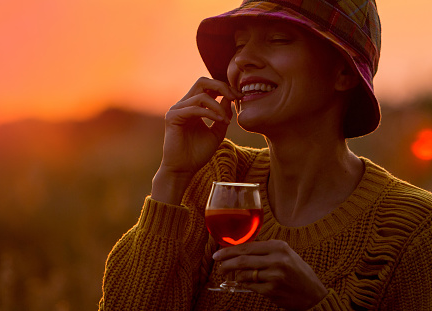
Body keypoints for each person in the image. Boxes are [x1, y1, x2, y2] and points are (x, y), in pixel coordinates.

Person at [99, 0, 432, 310]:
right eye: (240, 44)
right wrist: (171, 177)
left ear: (343, 73)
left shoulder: (413, 230)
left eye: (278, 39)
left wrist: (314, 301)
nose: (242, 60)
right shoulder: (218, 179)